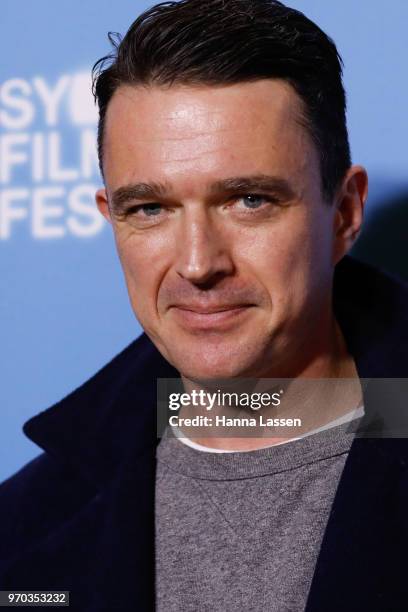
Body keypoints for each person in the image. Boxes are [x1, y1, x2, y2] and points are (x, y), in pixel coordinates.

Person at [1, 0, 407, 610]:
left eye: (248, 200)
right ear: (111, 220)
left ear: (345, 214)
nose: (197, 263)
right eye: (150, 209)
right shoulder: (25, 524)